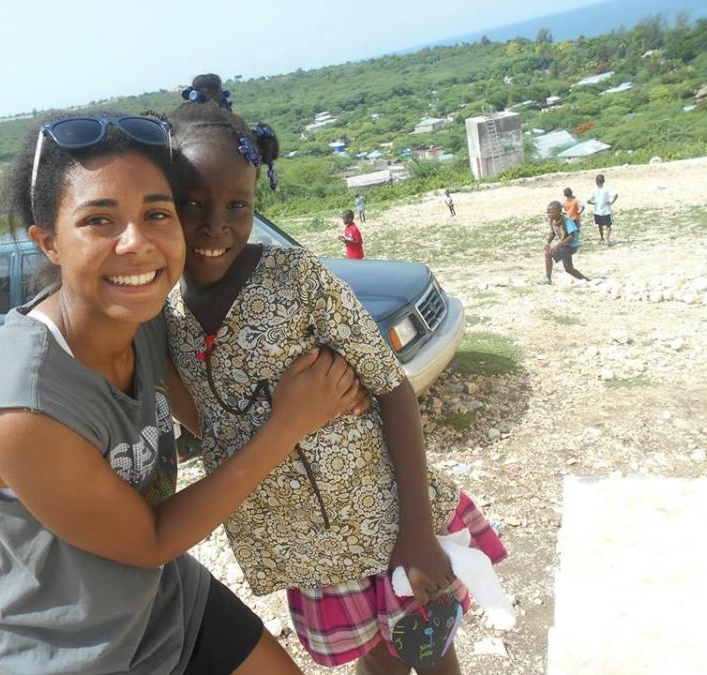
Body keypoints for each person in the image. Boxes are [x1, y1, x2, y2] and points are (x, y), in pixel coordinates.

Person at [0, 111, 366, 674]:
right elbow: (151, 539)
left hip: (166, 600)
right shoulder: (25, 409)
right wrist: (288, 424)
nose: (137, 243)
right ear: (48, 242)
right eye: (99, 220)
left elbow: (213, 412)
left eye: (156, 214)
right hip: (77, 653)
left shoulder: (145, 322)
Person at [162, 74, 506, 675]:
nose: (215, 224)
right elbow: (201, 412)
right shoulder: (161, 310)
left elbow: (392, 387)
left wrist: (418, 532)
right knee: (374, 661)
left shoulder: (296, 280)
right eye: (191, 204)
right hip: (305, 547)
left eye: (237, 205)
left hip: (382, 519)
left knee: (427, 652)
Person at [540, 200, 590, 285]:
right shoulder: (553, 221)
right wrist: (548, 242)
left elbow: (572, 236)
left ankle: (548, 278)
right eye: (548, 212)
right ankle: (587, 280)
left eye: (552, 212)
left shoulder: (566, 220)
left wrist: (558, 246)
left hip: (571, 246)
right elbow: (553, 232)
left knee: (548, 254)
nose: (549, 214)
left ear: (559, 211)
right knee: (568, 268)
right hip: (565, 245)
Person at [587, 173, 618, 245]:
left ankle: (601, 238)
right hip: (606, 210)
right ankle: (607, 239)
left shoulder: (594, 190)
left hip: (597, 211)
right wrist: (611, 202)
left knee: (600, 225)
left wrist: (594, 203)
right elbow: (616, 195)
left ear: (596, 182)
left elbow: (588, 201)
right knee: (609, 225)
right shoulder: (607, 189)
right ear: (604, 181)